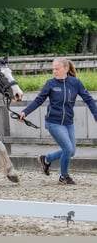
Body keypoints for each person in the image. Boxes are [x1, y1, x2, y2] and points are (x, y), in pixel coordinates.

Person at [19, 57, 97, 185]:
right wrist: (25, 112)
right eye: (53, 68)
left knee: (71, 152)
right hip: (53, 123)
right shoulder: (50, 84)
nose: (54, 71)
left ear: (65, 69)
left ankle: (46, 159)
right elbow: (38, 100)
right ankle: (64, 177)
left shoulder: (75, 83)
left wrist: (96, 114)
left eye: (57, 68)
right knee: (67, 149)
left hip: (68, 123)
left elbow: (88, 99)